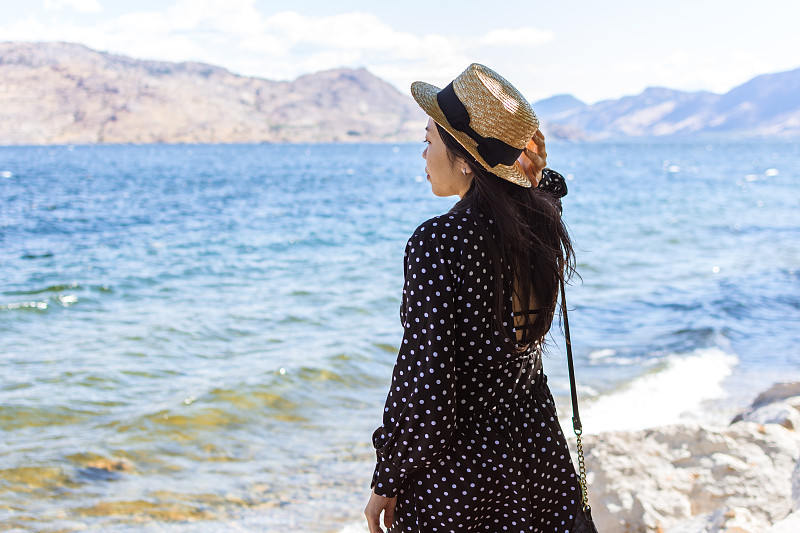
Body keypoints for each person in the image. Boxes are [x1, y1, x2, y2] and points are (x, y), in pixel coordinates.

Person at [364, 63, 580, 533]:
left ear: (464, 158)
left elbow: (428, 384)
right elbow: (519, 356)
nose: (423, 155)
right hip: (536, 452)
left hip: (464, 476)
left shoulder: (439, 241)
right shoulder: (538, 225)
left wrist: (388, 478)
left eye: (428, 141)